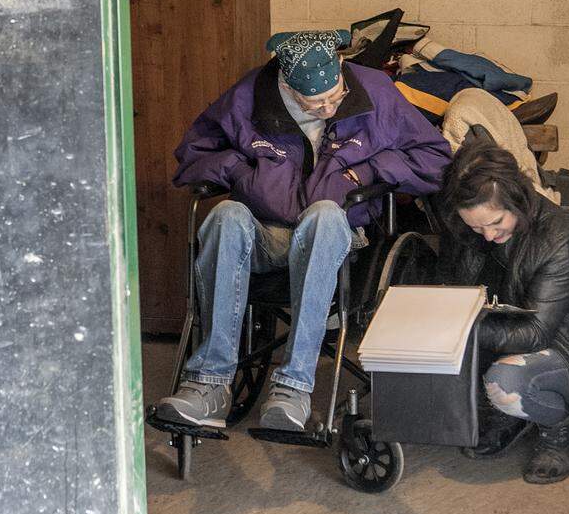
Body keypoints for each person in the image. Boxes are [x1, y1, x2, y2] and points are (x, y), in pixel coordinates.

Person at [156, 29, 451, 432]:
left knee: (326, 215)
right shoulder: (249, 96)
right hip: (265, 230)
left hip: (336, 235)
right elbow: (193, 153)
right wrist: (242, 173)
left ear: (342, 67)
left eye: (336, 95)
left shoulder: (375, 92)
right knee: (225, 216)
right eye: (316, 103)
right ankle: (210, 384)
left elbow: (434, 156)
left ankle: (294, 387)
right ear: (286, 87)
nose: (329, 108)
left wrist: (367, 170)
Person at [437, 140, 569, 484]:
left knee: (506, 382)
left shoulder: (561, 235)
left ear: (517, 199)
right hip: (501, 325)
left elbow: (535, 333)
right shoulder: (466, 226)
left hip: (568, 343)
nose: (487, 235)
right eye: (475, 227)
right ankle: (511, 415)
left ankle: (560, 429)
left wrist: (457, 332)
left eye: (496, 221)